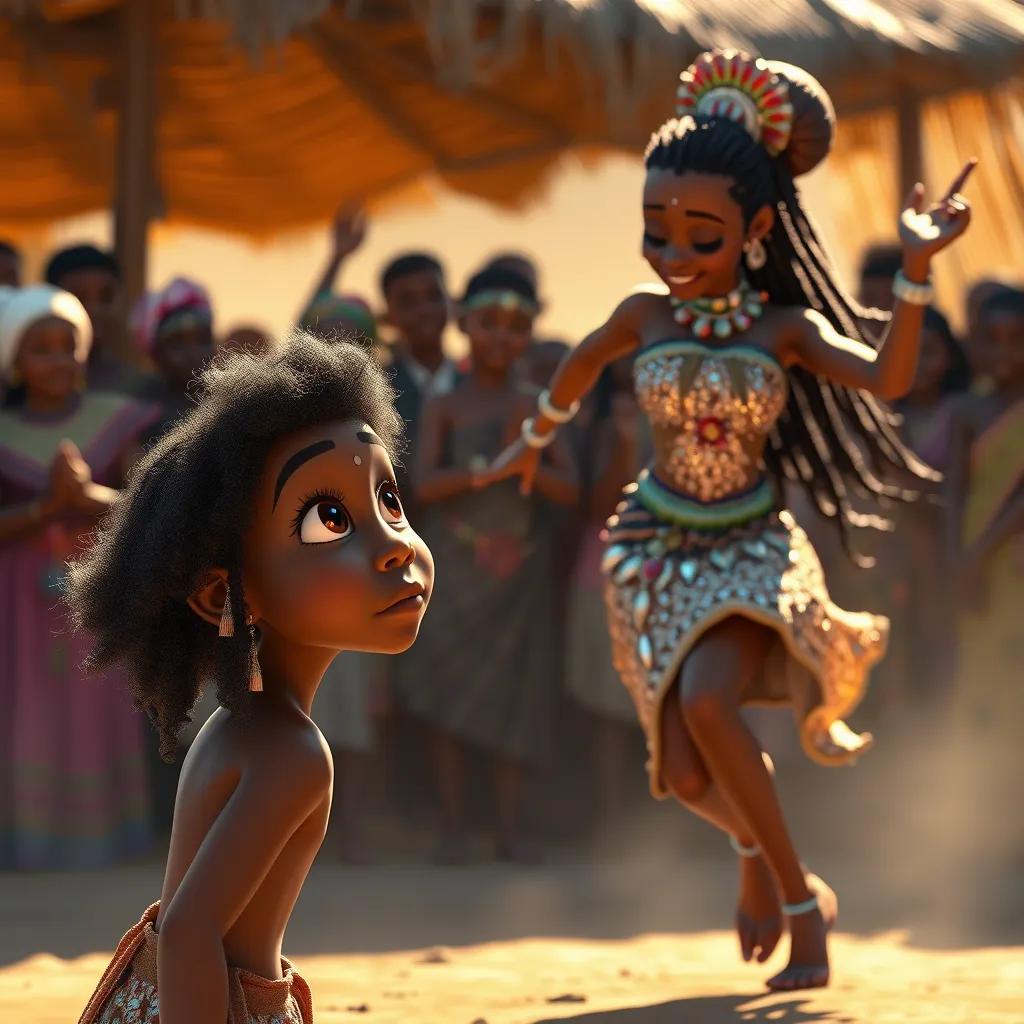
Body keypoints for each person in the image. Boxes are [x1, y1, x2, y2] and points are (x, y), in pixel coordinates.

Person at [485, 50, 973, 990]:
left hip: (750, 546)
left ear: (754, 228)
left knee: (709, 702)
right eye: (656, 234)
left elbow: (889, 378)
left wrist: (914, 271)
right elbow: (581, 367)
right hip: (653, 547)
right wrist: (534, 437)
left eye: (698, 238)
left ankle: (800, 908)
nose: (672, 258)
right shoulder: (643, 315)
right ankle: (763, 857)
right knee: (687, 772)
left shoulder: (780, 331)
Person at [69, 333, 434, 1024]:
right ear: (221, 594)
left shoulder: (242, 724)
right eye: (330, 520)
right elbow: (189, 932)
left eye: (388, 499)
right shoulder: (291, 753)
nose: (393, 546)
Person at [400, 267, 578, 864]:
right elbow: (422, 484)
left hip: (517, 569)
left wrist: (525, 462)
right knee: (448, 695)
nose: (502, 338)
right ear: (465, 325)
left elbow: (569, 489)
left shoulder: (539, 406)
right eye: (489, 325)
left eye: (516, 327)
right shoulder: (444, 404)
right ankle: (453, 828)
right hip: (456, 560)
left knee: (516, 701)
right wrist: (486, 470)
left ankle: (508, 830)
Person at [0, 285, 159, 870]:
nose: (57, 361)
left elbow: (146, 506)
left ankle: (101, 840)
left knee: (95, 700)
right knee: (26, 706)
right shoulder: (3, 429)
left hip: (92, 585)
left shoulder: (113, 419)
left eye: (67, 347)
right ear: (15, 362)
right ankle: (27, 843)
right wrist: (42, 509)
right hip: (15, 600)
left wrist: (86, 495)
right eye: (40, 349)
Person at [945, 286, 1024, 735]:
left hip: (1009, 555)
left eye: (1017, 340)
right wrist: (954, 558)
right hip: (971, 548)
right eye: (992, 339)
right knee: (976, 663)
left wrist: (977, 557)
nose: (1005, 352)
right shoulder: (966, 410)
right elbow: (953, 489)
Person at [132, 276, 218, 442]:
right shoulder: (142, 422)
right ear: (156, 355)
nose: (193, 352)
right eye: (177, 344)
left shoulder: (230, 409)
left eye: (202, 340)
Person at [44, 244, 139, 393]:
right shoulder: (25, 394)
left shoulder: (145, 392)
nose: (95, 310)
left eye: (106, 297)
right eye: (79, 297)